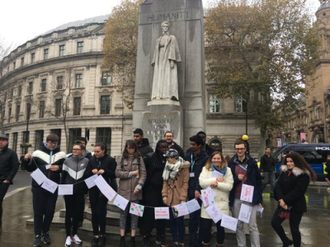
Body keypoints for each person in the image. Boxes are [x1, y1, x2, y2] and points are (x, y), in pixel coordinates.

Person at [22, 134, 66, 247]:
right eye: (50, 143)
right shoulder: (37, 153)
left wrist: (59, 168)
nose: (52, 145)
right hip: (38, 186)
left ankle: (45, 232)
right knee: (38, 211)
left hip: (53, 186)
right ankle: (37, 234)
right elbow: (29, 168)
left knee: (50, 211)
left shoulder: (61, 155)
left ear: (57, 143)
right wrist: (26, 160)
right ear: (46, 142)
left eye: (55, 143)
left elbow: (66, 169)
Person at [271, 152, 316, 247]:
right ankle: (286, 241)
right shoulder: (284, 172)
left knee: (294, 228)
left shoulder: (303, 174)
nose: (289, 164)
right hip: (282, 203)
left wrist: (285, 201)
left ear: (297, 162)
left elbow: (298, 191)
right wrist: (280, 200)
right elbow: (278, 186)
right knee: (275, 223)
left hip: (296, 205)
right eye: (287, 162)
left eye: (291, 161)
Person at [228, 139, 262, 247]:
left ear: (245, 149)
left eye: (241, 148)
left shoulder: (252, 163)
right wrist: (237, 178)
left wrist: (259, 199)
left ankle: (255, 245)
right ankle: (241, 245)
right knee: (239, 224)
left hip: (250, 198)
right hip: (237, 197)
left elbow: (258, 181)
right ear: (235, 149)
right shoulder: (231, 163)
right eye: (237, 149)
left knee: (252, 225)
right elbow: (228, 180)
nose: (239, 151)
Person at [85, 143, 117, 247]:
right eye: (95, 151)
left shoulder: (110, 160)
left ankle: (102, 234)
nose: (96, 153)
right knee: (94, 212)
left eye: (98, 151)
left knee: (101, 211)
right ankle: (96, 235)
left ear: (103, 150)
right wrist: (91, 171)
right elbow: (86, 174)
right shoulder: (92, 160)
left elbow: (114, 174)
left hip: (104, 189)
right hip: (93, 188)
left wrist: (105, 171)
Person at [116, 140, 146, 247]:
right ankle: (122, 237)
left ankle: (133, 238)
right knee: (123, 215)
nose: (130, 150)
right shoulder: (121, 158)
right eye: (128, 148)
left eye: (132, 148)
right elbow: (117, 173)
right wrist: (130, 173)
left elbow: (143, 174)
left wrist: (140, 185)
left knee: (135, 216)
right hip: (123, 192)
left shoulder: (139, 159)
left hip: (135, 192)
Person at [199, 151, 233, 247]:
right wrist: (215, 180)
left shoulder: (228, 170)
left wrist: (218, 185)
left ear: (222, 159)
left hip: (221, 202)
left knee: (220, 228)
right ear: (211, 159)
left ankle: (220, 244)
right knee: (206, 227)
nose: (216, 160)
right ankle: (206, 243)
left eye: (218, 158)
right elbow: (202, 183)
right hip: (208, 202)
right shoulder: (205, 169)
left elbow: (229, 186)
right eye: (214, 158)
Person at [141, 140, 169, 247]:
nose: (164, 150)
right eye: (161, 147)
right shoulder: (150, 158)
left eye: (166, 147)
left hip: (164, 191)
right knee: (149, 214)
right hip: (151, 190)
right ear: (157, 148)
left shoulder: (170, 158)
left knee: (162, 214)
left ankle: (160, 235)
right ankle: (146, 235)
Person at [62, 143, 89, 247]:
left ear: (82, 150)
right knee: (69, 213)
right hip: (69, 190)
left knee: (77, 213)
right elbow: (63, 176)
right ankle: (68, 236)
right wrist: (63, 189)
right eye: (73, 149)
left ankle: (75, 234)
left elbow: (87, 177)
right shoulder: (67, 160)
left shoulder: (86, 161)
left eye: (77, 149)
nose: (75, 151)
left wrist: (85, 190)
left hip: (80, 191)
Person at [162, 149, 190, 247]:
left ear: (174, 158)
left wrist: (183, 197)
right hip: (170, 196)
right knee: (172, 220)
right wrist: (164, 195)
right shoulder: (167, 166)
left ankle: (181, 239)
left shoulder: (184, 167)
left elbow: (185, 183)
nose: (167, 159)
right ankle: (174, 239)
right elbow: (165, 181)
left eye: (169, 157)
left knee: (179, 221)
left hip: (178, 197)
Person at [185, 135, 209, 247]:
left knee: (200, 219)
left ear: (199, 145)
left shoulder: (205, 158)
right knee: (192, 219)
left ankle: (200, 242)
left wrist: (197, 189)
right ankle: (192, 242)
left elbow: (204, 176)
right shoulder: (188, 154)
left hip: (199, 193)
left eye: (193, 144)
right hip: (189, 192)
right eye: (191, 144)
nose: (191, 146)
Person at [151, 21, 181, 101]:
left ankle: (168, 95)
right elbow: (155, 51)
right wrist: (154, 61)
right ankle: (158, 94)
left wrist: (172, 60)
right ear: (162, 27)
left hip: (168, 57)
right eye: (163, 26)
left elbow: (175, 49)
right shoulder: (158, 39)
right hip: (160, 58)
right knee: (160, 76)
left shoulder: (172, 38)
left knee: (168, 76)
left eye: (166, 26)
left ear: (168, 28)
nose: (165, 28)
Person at [0, 134, 19, 229]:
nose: (1, 142)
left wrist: (8, 179)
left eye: (3, 140)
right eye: (0, 140)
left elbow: (15, 167)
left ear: (7, 142)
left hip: (3, 181)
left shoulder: (11, 153)